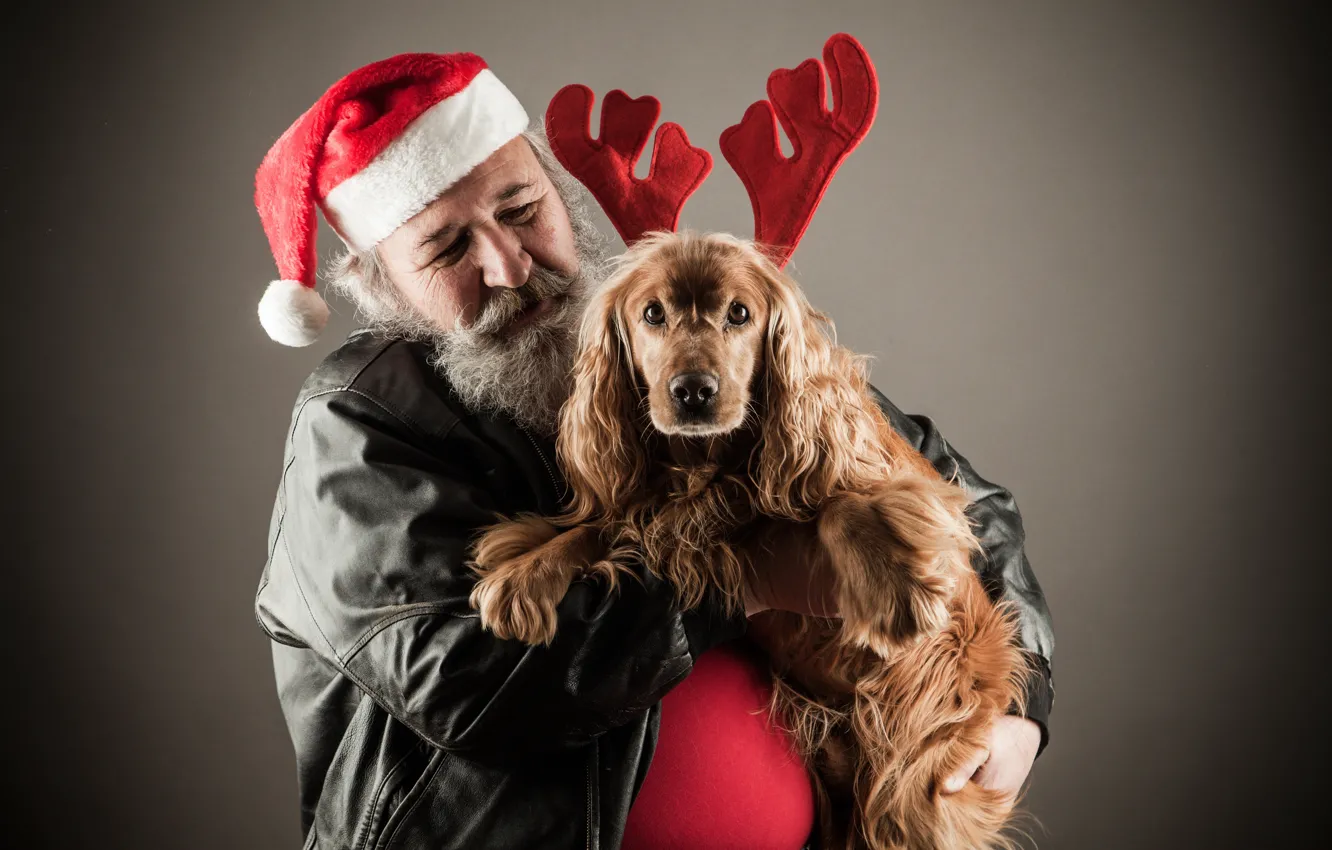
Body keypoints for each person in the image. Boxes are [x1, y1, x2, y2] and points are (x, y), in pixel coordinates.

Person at [252, 51, 1055, 850]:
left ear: (564, 202)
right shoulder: (356, 426)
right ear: (380, 283)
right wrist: (741, 577)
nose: (510, 266)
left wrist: (1022, 710)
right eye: (446, 248)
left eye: (523, 209)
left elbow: (952, 491)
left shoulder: (649, 329)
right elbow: (463, 685)